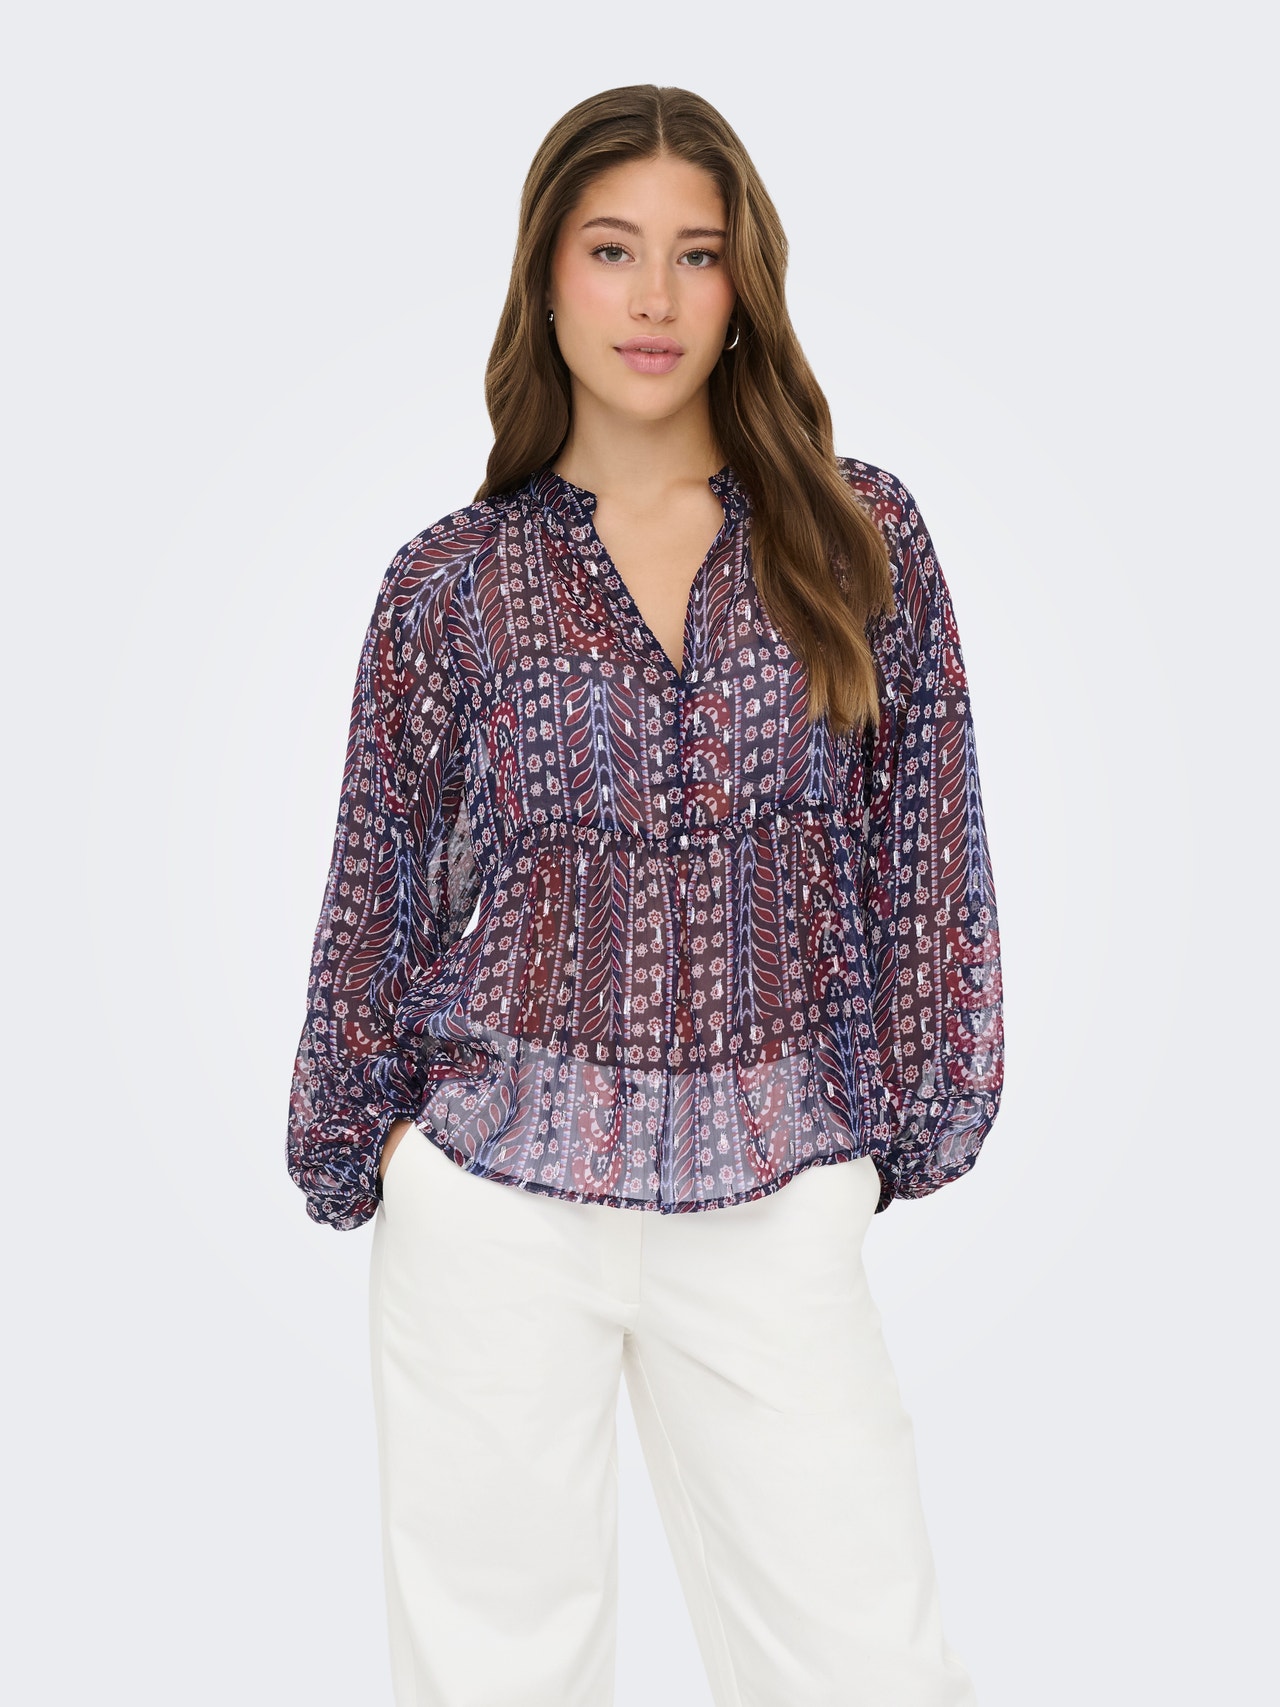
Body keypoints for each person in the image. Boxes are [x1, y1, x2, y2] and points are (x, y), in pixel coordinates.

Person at [287, 83, 1004, 1707]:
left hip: (778, 1186)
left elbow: (929, 864)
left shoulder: (861, 539)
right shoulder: (451, 587)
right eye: (613, 251)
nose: (656, 298)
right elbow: (374, 898)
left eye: (698, 253)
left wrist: (895, 1135)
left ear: (746, 284)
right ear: (546, 277)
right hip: (495, 1201)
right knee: (496, 1674)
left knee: (866, 1661)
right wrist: (371, 1149)